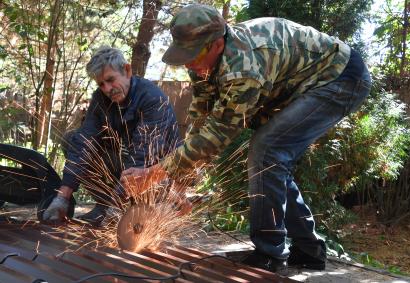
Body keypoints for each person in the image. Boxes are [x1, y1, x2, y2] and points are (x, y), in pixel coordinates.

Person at [121, 4, 371, 274]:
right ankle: (309, 250)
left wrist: (155, 173)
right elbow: (202, 122)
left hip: (340, 78)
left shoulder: (244, 69)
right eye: (185, 55)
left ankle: (270, 254)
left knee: (266, 152)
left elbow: (217, 135)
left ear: (217, 44)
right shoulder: (201, 61)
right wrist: (179, 187)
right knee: (271, 163)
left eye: (193, 56)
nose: (189, 63)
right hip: (304, 83)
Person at [42, 46, 180, 225]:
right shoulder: (101, 99)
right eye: (101, 84)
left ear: (127, 70)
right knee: (72, 140)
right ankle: (104, 206)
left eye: (110, 80)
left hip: (158, 173)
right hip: (128, 164)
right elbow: (85, 141)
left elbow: (143, 157)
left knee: (141, 183)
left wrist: (118, 204)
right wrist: (62, 198)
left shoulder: (152, 99)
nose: (107, 89)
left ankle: (122, 209)